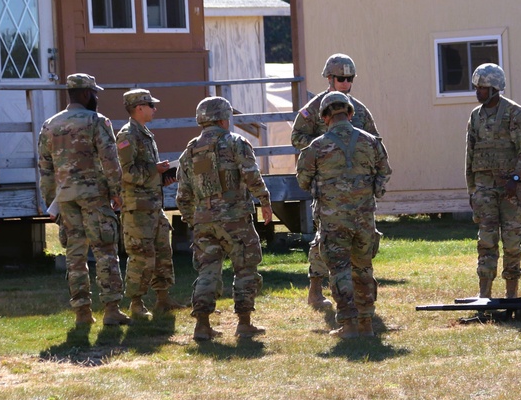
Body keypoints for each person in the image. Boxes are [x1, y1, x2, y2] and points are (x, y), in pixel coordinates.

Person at [176, 96, 273, 341]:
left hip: (204, 221)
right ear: (223, 119)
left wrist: (194, 219)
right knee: (245, 268)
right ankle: (244, 323)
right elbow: (251, 176)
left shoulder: (190, 150)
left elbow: (183, 194)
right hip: (235, 218)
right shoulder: (236, 143)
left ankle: (202, 325)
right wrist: (265, 202)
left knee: (207, 271)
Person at [296, 91, 392, 338]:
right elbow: (385, 171)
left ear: (325, 117)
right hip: (364, 219)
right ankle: (367, 325)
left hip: (333, 221)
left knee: (339, 271)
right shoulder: (371, 142)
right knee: (363, 270)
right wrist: (373, 190)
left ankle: (348, 325)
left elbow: (303, 181)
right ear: (350, 113)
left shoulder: (315, 147)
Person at [38, 73, 129, 326]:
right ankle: (111, 310)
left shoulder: (50, 124)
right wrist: (117, 193)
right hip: (94, 196)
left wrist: (50, 203)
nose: (97, 98)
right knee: (105, 251)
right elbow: (110, 160)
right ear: (87, 94)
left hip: (65, 199)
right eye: (95, 93)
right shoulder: (97, 121)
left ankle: (82, 313)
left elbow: (44, 168)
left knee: (75, 256)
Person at [292, 53, 380, 312]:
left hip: (357, 189)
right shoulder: (314, 109)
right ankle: (316, 289)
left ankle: (357, 292)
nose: (345, 83)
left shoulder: (359, 109)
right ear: (329, 78)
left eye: (349, 78)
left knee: (361, 239)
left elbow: (374, 140)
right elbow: (297, 137)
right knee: (324, 237)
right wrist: (324, 151)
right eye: (341, 78)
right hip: (328, 187)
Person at [465, 63, 521, 299]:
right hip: (484, 189)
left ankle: (511, 295)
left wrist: (515, 178)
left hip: (511, 190)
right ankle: (484, 293)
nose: (477, 92)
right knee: (486, 241)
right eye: (476, 87)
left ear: (495, 89)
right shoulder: (475, 117)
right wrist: (472, 190)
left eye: (482, 88)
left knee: (511, 242)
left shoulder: (515, 114)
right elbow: (470, 155)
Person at [115, 88, 183, 319]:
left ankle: (163, 300)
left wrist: (163, 177)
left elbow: (145, 174)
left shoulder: (144, 133)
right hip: (138, 209)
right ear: (139, 108)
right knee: (142, 256)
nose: (155, 109)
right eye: (151, 105)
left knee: (163, 252)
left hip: (154, 205)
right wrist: (154, 170)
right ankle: (136, 303)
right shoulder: (127, 136)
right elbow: (125, 173)